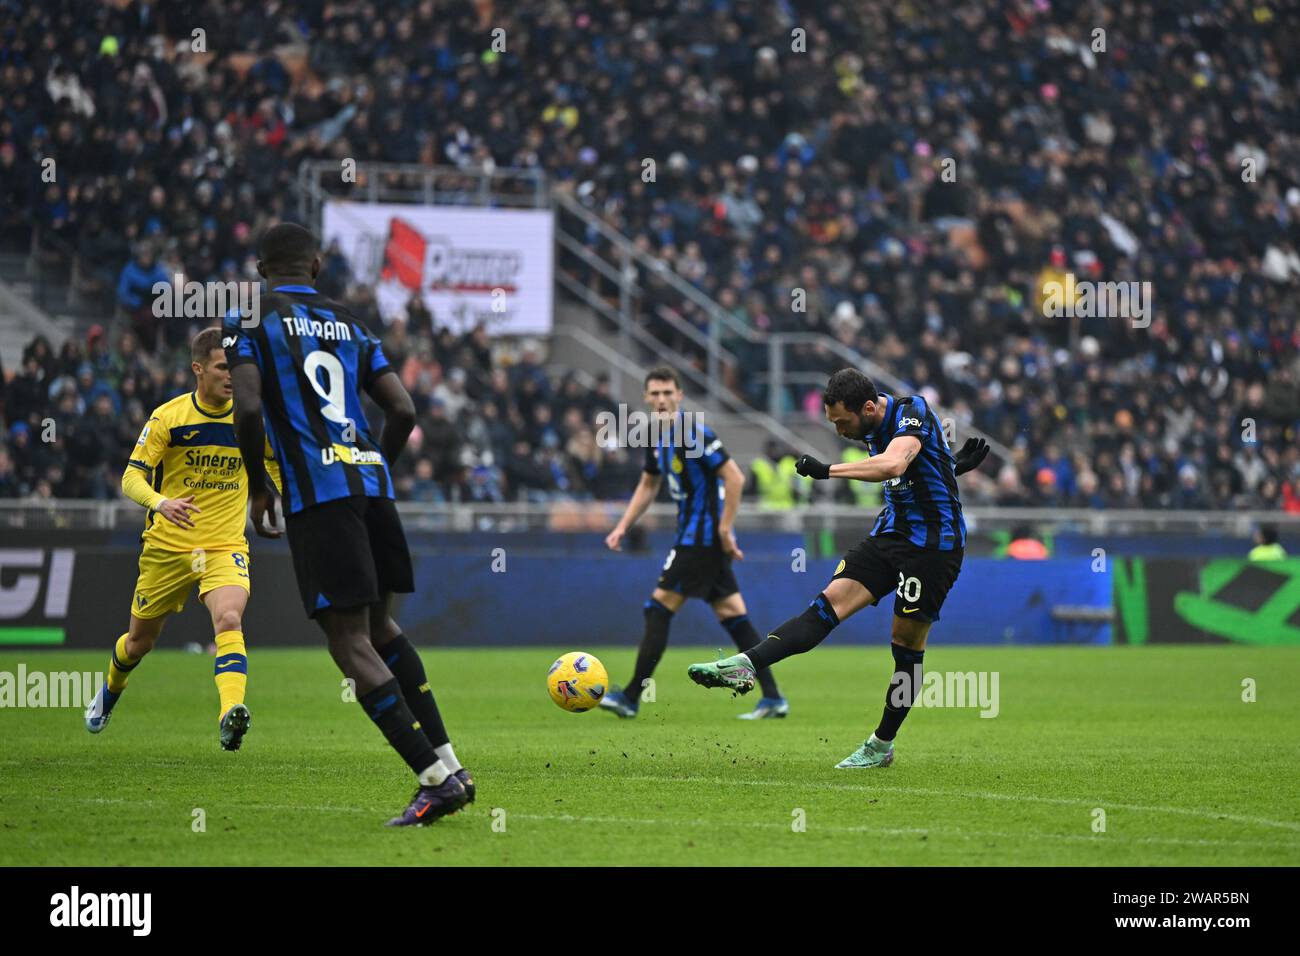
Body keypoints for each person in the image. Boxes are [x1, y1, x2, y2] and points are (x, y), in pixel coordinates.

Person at [224, 222, 471, 826]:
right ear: (315, 267)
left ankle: (434, 780)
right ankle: (450, 764)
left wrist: (259, 486)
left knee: (349, 641)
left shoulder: (250, 320)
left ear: (262, 270)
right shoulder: (353, 325)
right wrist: (372, 468)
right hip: (371, 488)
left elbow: (250, 405)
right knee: (381, 626)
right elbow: (403, 408)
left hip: (321, 496)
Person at [687, 368, 989, 767]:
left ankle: (882, 744)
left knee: (906, 645)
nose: (839, 431)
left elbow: (894, 466)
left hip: (933, 547)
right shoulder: (867, 427)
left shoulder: (910, 410)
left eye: (843, 422)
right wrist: (951, 467)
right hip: (891, 533)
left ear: (867, 407)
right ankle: (748, 665)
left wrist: (827, 470)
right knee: (826, 605)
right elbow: (914, 473)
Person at [84, 328, 277, 750]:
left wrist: (293, 503)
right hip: (168, 546)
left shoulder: (250, 420)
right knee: (138, 643)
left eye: (238, 368)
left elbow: (274, 467)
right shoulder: (168, 418)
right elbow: (131, 477)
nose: (233, 377)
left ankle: (230, 713)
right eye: (224, 368)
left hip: (225, 544)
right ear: (199, 369)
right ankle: (111, 691)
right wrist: (160, 502)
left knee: (228, 619)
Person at [602, 366, 788, 719]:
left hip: (699, 541)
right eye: (654, 394)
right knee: (734, 616)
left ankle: (629, 696)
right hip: (696, 539)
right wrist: (623, 525)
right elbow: (648, 484)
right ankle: (774, 697)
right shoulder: (658, 438)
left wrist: (724, 530)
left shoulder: (692, 433)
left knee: (658, 609)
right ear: (645, 398)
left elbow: (734, 477)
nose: (661, 400)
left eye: (667, 393)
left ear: (680, 395)